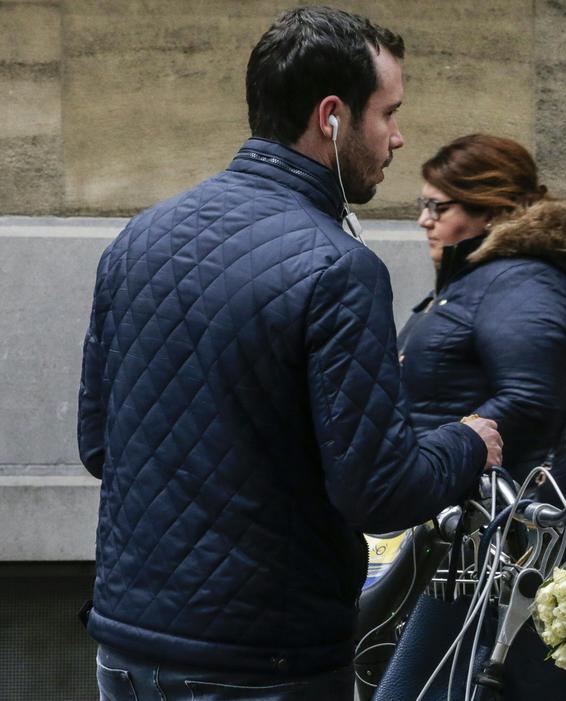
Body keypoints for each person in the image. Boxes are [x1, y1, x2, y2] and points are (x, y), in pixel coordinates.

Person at [77, 8, 501, 701]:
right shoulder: (338, 267)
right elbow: (380, 490)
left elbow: (99, 444)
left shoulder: (140, 237)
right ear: (331, 117)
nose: (398, 138)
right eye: (388, 114)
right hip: (261, 663)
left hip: (126, 646)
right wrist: (466, 442)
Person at [398, 134, 566, 503]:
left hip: (505, 522)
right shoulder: (477, 277)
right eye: (423, 204)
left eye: (437, 206)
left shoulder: (523, 279)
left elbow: (530, 397)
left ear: (489, 211)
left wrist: (441, 455)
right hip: (469, 505)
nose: (424, 219)